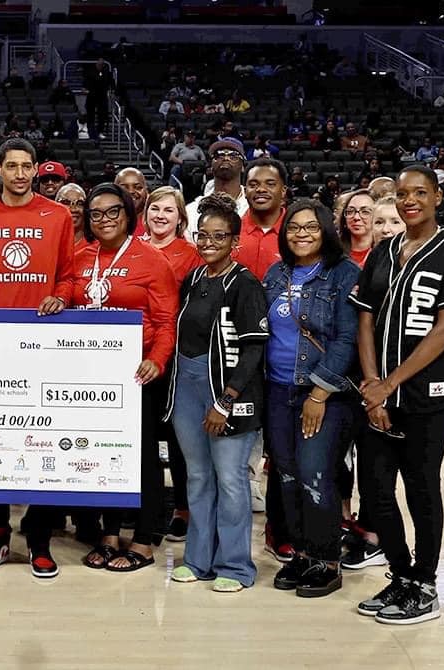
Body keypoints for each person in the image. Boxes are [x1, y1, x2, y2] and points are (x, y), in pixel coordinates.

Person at [351, 165, 444, 624]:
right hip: (377, 395)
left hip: (428, 395)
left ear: (438, 197)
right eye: (403, 194)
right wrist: (373, 388)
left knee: (422, 488)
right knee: (378, 492)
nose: (410, 201)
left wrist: (391, 382)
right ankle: (400, 575)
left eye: (420, 193)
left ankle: (426, 583)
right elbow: (365, 319)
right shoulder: (383, 252)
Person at [0, 138, 75, 578]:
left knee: (43, 443)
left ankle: (39, 537)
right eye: (12, 166)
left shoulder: (58, 215)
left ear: (37, 169)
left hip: (43, 345)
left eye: (27, 166)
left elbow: (67, 275)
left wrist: (60, 298)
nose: (20, 174)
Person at [70, 183, 178, 572]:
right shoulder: (81, 256)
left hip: (139, 374)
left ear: (128, 214)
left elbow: (167, 322)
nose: (104, 220)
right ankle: (110, 532)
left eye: (113, 211)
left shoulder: (151, 259)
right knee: (104, 453)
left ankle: (146, 537)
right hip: (95, 374)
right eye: (96, 213)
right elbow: (68, 291)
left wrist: (157, 360)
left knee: (143, 456)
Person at [165, 192, 267, 593]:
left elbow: (253, 348)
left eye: (219, 236)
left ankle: (236, 567)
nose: (208, 243)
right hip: (187, 391)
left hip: (227, 393)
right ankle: (198, 560)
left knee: (230, 480)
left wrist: (226, 401)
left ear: (234, 241)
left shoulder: (245, 285)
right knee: (197, 477)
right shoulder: (193, 278)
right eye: (202, 235)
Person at [262, 199, 361, 598]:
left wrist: (319, 392)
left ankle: (327, 560)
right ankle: (302, 552)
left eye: (311, 227)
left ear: (326, 231)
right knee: (286, 476)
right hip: (276, 389)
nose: (301, 234)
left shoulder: (342, 273)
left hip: (321, 394)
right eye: (293, 228)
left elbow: (347, 339)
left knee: (315, 474)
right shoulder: (276, 272)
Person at [141, 186, 202, 541]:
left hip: (176, 358)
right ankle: (141, 503)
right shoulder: (131, 250)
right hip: (136, 357)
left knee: (180, 439)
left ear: (181, 218)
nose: (161, 215)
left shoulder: (190, 256)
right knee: (144, 436)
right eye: (155, 208)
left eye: (169, 210)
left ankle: (182, 507)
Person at [233, 157, 287, 281]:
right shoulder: (230, 231)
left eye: (270, 184)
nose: (261, 189)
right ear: (245, 191)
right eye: (253, 185)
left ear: (283, 191)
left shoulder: (298, 234)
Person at [184, 139, 249, 242]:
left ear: (243, 167)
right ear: (210, 166)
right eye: (219, 155)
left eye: (233, 156)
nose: (226, 158)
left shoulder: (253, 207)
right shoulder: (191, 210)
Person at [339, 189, 376, 267]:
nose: (356, 217)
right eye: (350, 211)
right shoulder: (333, 252)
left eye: (365, 212)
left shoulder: (384, 252)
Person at [84, 59, 114, 140]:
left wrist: (110, 91)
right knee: (91, 115)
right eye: (98, 64)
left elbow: (111, 83)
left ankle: (100, 132)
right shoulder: (90, 72)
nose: (100, 65)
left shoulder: (107, 73)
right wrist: (85, 89)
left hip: (102, 97)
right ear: (96, 64)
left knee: (102, 115)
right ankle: (90, 132)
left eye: (101, 64)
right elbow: (85, 83)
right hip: (92, 96)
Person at [115, 167, 149, 235]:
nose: (131, 191)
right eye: (124, 188)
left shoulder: (156, 221)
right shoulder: (106, 223)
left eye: (138, 187)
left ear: (146, 191)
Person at [55, 183, 88, 251]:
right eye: (66, 203)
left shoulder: (99, 245)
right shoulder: (45, 242)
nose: (73, 209)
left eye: (79, 204)